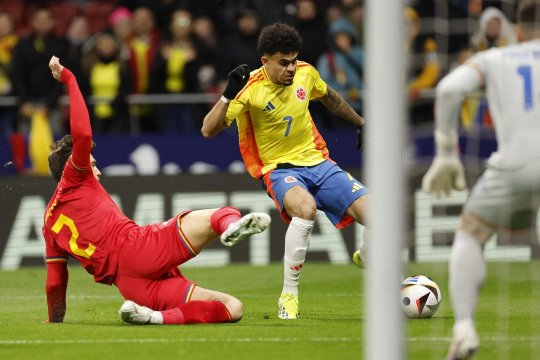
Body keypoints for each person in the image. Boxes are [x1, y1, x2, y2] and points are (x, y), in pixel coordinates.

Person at [43, 56, 271, 325]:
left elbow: (55, 281)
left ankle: (156, 317)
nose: (98, 171)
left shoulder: (49, 222)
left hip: (129, 286)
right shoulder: (75, 177)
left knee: (232, 307)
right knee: (223, 212)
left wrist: (54, 321)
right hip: (139, 249)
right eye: (93, 165)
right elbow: (82, 135)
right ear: (71, 166)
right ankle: (230, 225)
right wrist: (70, 79)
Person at [201, 23, 367, 320]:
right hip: (278, 169)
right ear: (265, 61)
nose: (291, 68)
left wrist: (360, 122)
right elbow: (208, 130)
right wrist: (226, 95)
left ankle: (366, 255)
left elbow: (329, 96)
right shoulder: (249, 89)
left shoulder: (306, 72)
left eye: (293, 60)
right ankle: (289, 294)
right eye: (283, 63)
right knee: (305, 209)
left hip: (319, 162)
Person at [421, 1, 540, 358]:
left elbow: (447, 89)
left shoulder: (497, 58)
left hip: (514, 166)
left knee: (471, 232)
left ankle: (464, 330)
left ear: (516, 30)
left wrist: (445, 151)